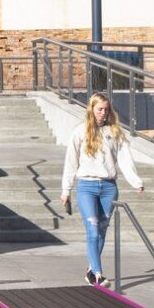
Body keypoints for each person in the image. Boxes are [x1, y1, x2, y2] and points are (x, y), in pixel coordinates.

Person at [59, 93, 144, 288]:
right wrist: (66, 189)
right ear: (92, 110)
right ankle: (98, 275)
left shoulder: (114, 132)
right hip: (87, 186)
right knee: (92, 228)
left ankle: (91, 268)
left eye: (106, 109)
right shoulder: (80, 132)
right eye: (100, 109)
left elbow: (124, 158)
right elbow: (71, 161)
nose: (103, 113)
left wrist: (135, 181)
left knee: (102, 230)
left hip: (108, 187)